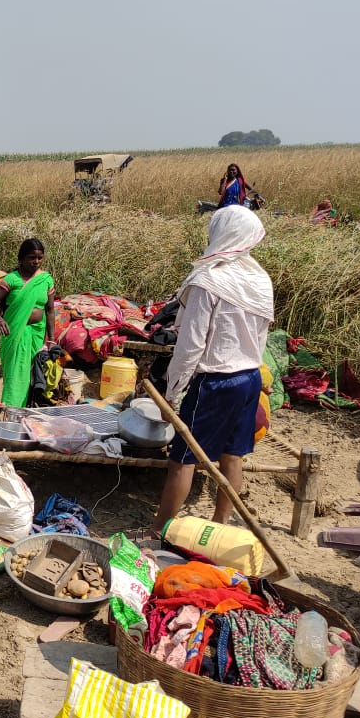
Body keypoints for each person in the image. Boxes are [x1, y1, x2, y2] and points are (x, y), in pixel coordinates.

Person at [152, 205, 274, 536]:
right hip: (249, 378)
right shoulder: (259, 280)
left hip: (215, 381)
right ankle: (220, 527)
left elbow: (190, 345)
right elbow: (260, 338)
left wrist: (171, 393)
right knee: (232, 456)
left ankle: (160, 529)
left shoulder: (210, 280)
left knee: (183, 459)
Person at [0, 238, 56, 408]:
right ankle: (11, 409)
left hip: (36, 334)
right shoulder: (12, 279)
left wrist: (52, 339)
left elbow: (50, 310)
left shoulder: (46, 279)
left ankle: (26, 409)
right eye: (32, 257)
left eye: (40, 258)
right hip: (15, 333)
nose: (36, 262)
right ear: (21, 258)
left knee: (34, 373)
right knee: (16, 374)